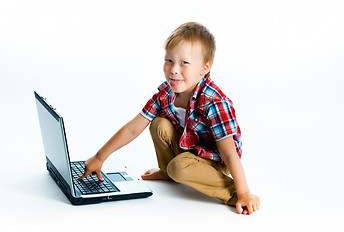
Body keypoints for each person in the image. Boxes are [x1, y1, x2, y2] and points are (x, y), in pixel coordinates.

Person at [78, 22, 260, 215]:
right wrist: (100, 157)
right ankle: (168, 173)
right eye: (169, 60)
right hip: (188, 151)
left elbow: (229, 153)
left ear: (204, 68)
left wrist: (243, 192)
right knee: (159, 124)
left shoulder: (213, 102)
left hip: (215, 162)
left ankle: (232, 194)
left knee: (179, 167)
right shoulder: (167, 93)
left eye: (184, 63)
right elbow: (133, 128)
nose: (173, 69)